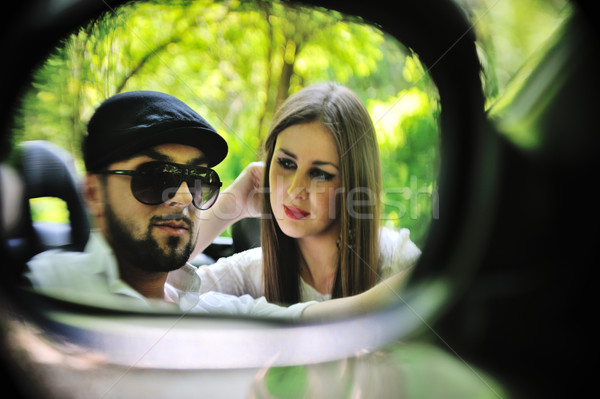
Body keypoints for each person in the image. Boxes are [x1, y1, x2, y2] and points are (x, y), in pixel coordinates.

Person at [23, 90, 408, 320]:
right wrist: (236, 201)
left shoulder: (216, 311)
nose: (185, 196)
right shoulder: (49, 285)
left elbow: (326, 321)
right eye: (155, 177)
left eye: (198, 180)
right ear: (93, 194)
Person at [192, 82, 421, 305]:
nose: (294, 190)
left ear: (353, 184)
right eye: (286, 163)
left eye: (320, 174)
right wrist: (233, 204)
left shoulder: (397, 261)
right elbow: (161, 288)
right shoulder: (254, 270)